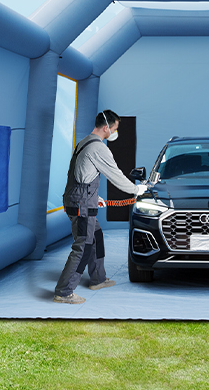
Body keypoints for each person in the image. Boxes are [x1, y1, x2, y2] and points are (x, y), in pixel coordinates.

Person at [53, 110, 148, 304]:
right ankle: (64, 291)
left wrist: (96, 198)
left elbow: (81, 174)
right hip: (81, 205)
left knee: (96, 236)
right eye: (114, 129)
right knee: (83, 246)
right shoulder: (99, 148)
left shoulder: (84, 142)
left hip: (80, 200)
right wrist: (137, 189)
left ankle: (97, 279)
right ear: (106, 128)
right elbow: (116, 176)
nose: (114, 132)